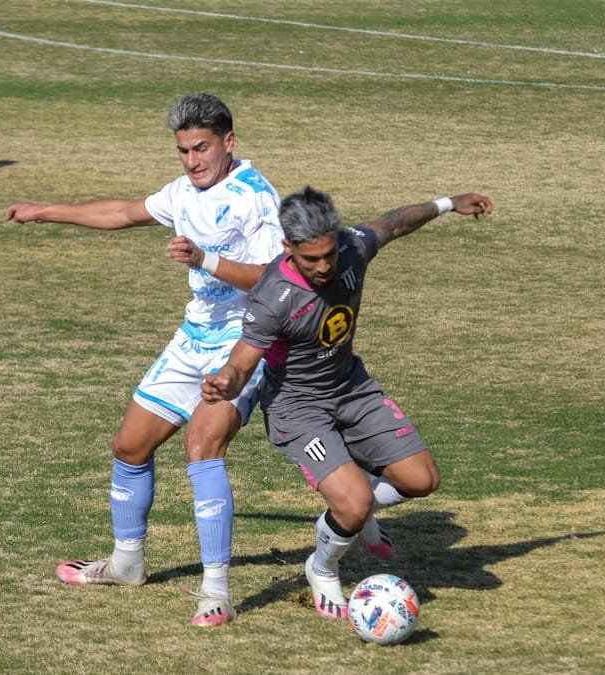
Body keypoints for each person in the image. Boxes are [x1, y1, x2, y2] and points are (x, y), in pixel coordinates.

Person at [4, 93, 282, 627]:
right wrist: (46, 212)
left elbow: (276, 281)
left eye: (201, 148)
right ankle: (127, 563)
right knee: (129, 445)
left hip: (246, 340)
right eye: (182, 150)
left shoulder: (255, 197)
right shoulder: (183, 192)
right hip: (193, 336)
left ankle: (215, 591)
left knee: (202, 447)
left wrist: (206, 259)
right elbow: (124, 212)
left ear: (229, 142)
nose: (192, 160)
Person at [201, 186, 493, 619]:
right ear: (288, 248)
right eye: (310, 259)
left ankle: (352, 506)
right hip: (298, 409)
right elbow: (243, 362)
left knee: (422, 479)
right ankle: (322, 566)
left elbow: (394, 221)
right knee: (353, 505)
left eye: (329, 255)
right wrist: (227, 380)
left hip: (351, 388)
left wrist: (449, 204)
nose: (323, 267)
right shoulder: (272, 296)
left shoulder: (352, 248)